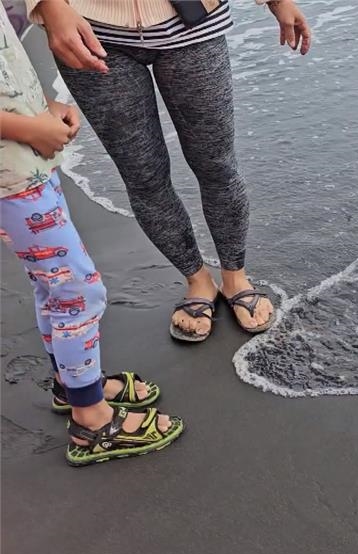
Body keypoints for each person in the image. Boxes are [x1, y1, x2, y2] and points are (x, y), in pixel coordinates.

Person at [25, 0, 312, 342]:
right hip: (88, 26)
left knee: (216, 165)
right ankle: (197, 280)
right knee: (143, 176)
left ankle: (235, 276)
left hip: (193, 20)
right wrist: (50, 6)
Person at [1, 7, 183, 466]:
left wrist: (44, 108)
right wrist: (28, 126)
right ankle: (91, 421)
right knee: (77, 291)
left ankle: (73, 383)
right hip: (12, 172)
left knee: (53, 281)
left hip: (25, 161)